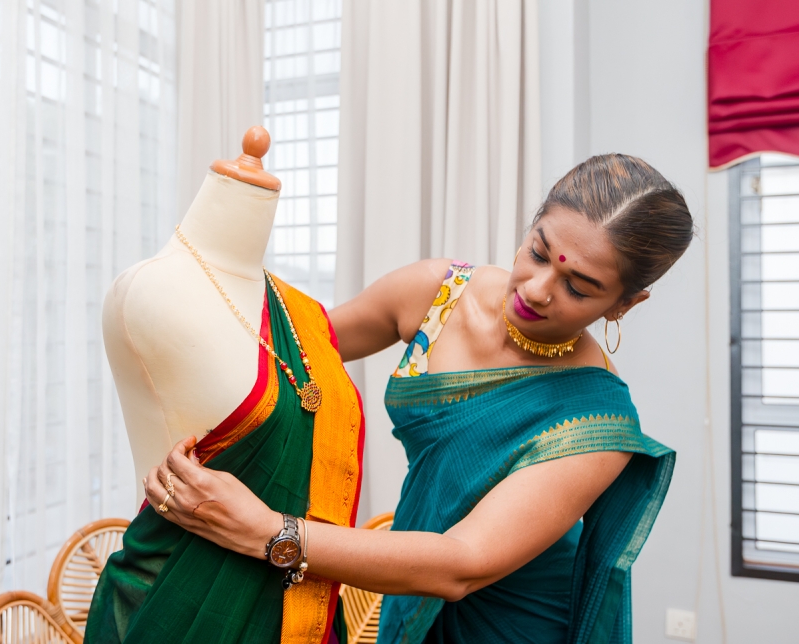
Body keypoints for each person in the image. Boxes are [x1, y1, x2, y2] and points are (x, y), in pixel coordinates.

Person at [143, 154, 694, 643]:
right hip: (408, 584)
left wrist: (268, 531)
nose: (536, 288)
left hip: (511, 619)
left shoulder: (597, 421)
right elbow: (293, 361)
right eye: (538, 252)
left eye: (579, 288)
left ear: (625, 303)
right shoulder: (439, 294)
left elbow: (463, 563)